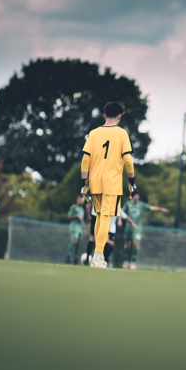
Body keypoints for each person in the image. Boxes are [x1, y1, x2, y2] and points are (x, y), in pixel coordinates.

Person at [80, 102, 137, 268]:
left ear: (104, 115)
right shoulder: (122, 133)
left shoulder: (93, 133)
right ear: (119, 116)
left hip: (95, 181)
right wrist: (131, 183)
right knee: (106, 217)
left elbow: (85, 159)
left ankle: (98, 256)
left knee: (99, 216)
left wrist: (84, 183)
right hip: (111, 183)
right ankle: (97, 257)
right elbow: (127, 159)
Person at [122, 192, 169, 269]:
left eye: (137, 195)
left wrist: (161, 209)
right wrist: (120, 220)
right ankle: (126, 261)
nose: (136, 197)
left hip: (137, 227)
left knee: (135, 243)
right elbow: (122, 213)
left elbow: (151, 208)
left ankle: (133, 262)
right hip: (128, 227)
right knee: (127, 243)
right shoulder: (128, 204)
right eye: (135, 195)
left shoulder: (141, 205)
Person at [65, 196, 87, 264]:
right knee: (74, 241)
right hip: (74, 226)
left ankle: (75, 259)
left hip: (80, 228)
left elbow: (82, 220)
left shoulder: (82, 209)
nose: (81, 201)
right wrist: (76, 216)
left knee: (78, 242)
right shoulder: (74, 207)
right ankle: (68, 257)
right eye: (79, 199)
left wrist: (84, 229)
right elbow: (69, 216)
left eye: (82, 200)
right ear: (77, 200)